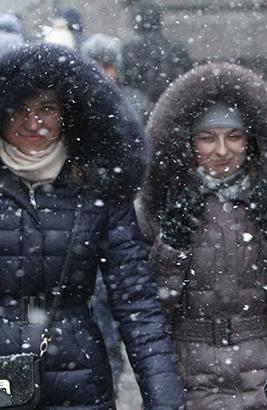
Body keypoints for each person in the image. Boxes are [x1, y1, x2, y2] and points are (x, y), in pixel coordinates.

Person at [0, 43, 184, 409]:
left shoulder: (96, 186)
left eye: (46, 109)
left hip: (79, 379)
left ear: (67, 114)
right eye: (19, 109)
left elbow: (135, 299)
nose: (33, 123)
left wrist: (163, 395)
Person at [135, 62, 267, 409]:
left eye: (233, 136)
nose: (222, 151)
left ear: (250, 141)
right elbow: (149, 309)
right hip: (189, 374)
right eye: (208, 138)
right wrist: (171, 246)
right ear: (189, 143)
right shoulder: (160, 205)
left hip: (264, 371)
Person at [122, 0, 192, 104]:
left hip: (141, 110)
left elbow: (125, 85)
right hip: (171, 106)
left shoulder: (129, 50)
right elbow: (188, 84)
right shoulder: (177, 49)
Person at [81, 33, 153, 122]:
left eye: (106, 66)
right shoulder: (78, 102)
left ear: (117, 68)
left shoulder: (136, 102)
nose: (100, 71)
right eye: (95, 66)